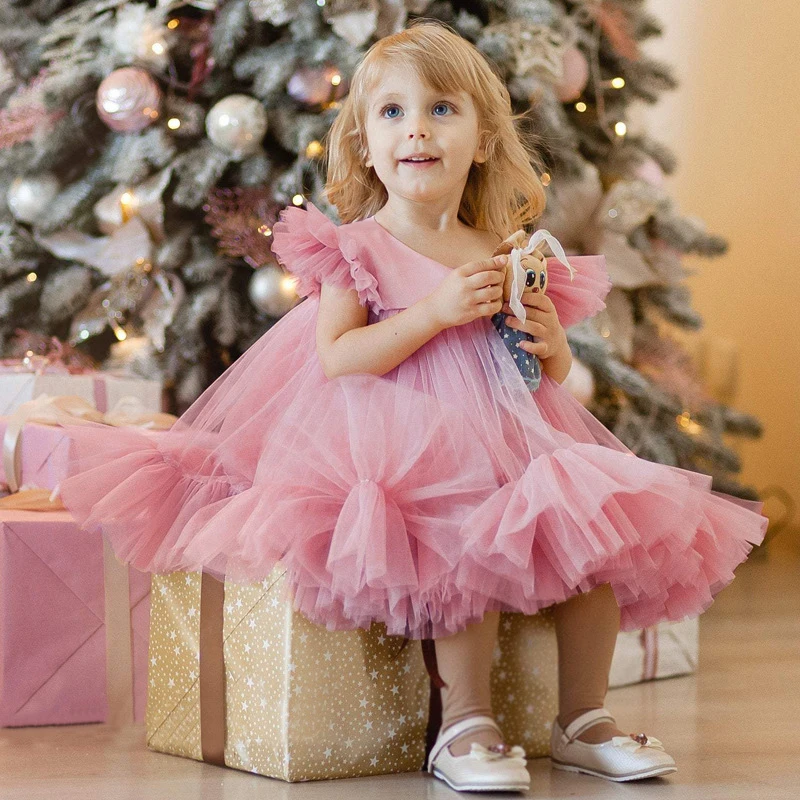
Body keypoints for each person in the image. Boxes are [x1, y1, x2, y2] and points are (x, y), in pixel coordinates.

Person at [56, 20, 768, 794]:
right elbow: (339, 356)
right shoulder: (356, 249)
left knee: (594, 538)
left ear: (483, 141)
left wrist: (549, 339)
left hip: (512, 441)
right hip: (397, 445)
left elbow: (546, 375)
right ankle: (466, 722)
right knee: (460, 538)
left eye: (441, 109)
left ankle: (583, 719)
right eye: (392, 113)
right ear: (365, 144)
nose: (417, 129)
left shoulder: (503, 249)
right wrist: (434, 313)